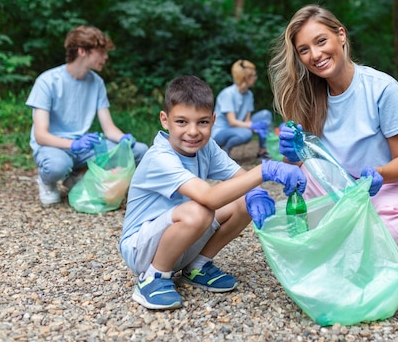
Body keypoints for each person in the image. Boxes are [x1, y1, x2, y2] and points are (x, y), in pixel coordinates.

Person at [269, 4, 398, 290]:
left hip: (393, 187)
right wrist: (291, 155)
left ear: (341, 36)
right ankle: (371, 252)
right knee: (298, 222)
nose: (315, 55)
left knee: (372, 225)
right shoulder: (306, 98)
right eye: (304, 49)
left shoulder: (383, 89)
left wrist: (377, 174)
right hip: (341, 190)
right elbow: (301, 173)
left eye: (321, 41)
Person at [119, 75, 306, 310]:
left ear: (213, 120)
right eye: (182, 122)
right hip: (141, 249)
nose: (193, 131)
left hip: (181, 238)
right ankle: (153, 278)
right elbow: (209, 198)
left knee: (244, 198)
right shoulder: (159, 157)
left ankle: (196, 266)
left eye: (203, 122)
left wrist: (256, 193)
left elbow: (239, 177)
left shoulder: (206, 148)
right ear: (165, 120)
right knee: (199, 210)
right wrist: (265, 170)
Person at [26, 25, 148, 206]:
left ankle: (78, 174)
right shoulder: (47, 81)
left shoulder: (97, 83)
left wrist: (124, 139)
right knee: (56, 166)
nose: (106, 57)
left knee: (140, 150)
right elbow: (41, 135)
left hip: (83, 148)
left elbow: (109, 128)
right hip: (54, 147)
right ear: (82, 51)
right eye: (101, 52)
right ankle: (47, 182)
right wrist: (73, 144)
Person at [211, 59, 273, 159]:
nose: (256, 78)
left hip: (238, 127)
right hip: (221, 132)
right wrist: (252, 126)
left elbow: (247, 120)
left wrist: (254, 126)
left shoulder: (249, 94)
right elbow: (232, 122)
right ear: (246, 78)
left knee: (265, 115)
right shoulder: (228, 94)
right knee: (247, 134)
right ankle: (223, 151)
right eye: (254, 75)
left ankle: (262, 151)